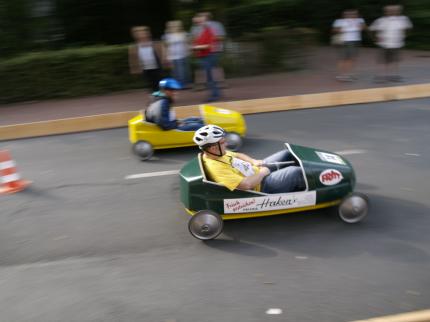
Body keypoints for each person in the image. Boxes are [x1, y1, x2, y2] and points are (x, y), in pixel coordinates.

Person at [193, 125, 305, 193]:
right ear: (213, 148)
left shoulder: (217, 153)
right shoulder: (216, 168)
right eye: (223, 142)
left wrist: (253, 161)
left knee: (286, 154)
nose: (226, 143)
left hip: (256, 170)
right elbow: (246, 185)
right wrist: (262, 173)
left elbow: (238, 155)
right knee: (296, 172)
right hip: (261, 186)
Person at [369, 5, 413, 83]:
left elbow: (409, 28)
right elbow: (371, 29)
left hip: (397, 44)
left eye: (395, 10)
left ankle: (394, 76)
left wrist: (404, 36)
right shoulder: (381, 20)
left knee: (396, 60)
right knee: (383, 60)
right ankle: (381, 76)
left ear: (399, 11)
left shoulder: (403, 19)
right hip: (384, 44)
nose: (392, 11)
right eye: (389, 10)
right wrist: (376, 39)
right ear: (386, 11)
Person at [192, 13, 221, 102]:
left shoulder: (209, 30)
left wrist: (196, 47)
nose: (199, 22)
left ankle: (214, 95)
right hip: (204, 56)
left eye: (202, 20)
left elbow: (209, 45)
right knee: (210, 76)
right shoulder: (203, 30)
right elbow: (199, 42)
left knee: (210, 77)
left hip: (209, 55)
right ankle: (216, 93)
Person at [332, 10, 366, 81]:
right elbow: (335, 30)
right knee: (343, 58)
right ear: (343, 15)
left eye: (354, 14)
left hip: (355, 41)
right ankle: (341, 75)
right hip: (345, 41)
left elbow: (362, 28)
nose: (351, 15)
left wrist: (348, 28)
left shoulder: (359, 20)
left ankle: (349, 74)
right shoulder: (339, 21)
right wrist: (350, 29)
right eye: (347, 14)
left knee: (352, 58)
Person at [129, 26, 164, 92]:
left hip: (156, 67)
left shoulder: (154, 43)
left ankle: (162, 95)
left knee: (159, 82)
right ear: (136, 36)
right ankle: (155, 96)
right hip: (145, 68)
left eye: (144, 33)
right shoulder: (134, 47)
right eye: (140, 34)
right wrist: (134, 68)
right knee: (151, 84)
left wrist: (164, 61)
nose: (142, 35)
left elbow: (161, 53)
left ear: (148, 34)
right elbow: (132, 58)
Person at [162, 20, 191, 87]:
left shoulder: (184, 34)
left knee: (184, 71)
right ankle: (178, 84)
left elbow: (189, 43)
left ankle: (183, 84)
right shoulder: (166, 36)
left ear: (179, 26)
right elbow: (164, 47)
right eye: (171, 26)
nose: (174, 27)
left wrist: (189, 50)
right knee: (175, 72)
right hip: (172, 56)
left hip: (183, 55)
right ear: (169, 27)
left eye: (175, 26)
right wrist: (165, 57)